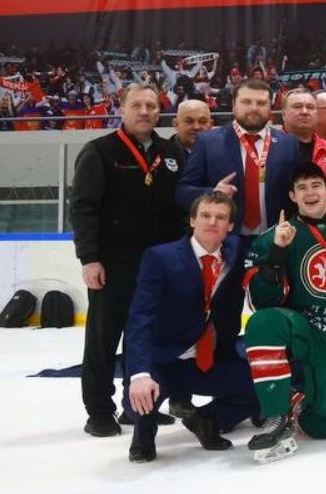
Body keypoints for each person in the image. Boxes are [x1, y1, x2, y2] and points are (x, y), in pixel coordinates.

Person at [72, 83, 189, 437]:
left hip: (160, 265)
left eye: (151, 106)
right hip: (113, 263)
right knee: (103, 338)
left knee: (148, 336)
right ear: (121, 109)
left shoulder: (172, 152)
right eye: (137, 105)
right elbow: (83, 208)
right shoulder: (100, 151)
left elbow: (183, 207)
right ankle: (98, 410)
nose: (144, 112)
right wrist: (89, 258)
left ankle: (135, 406)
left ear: (159, 111)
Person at [241, 163, 326, 463]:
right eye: (301, 188)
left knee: (322, 427)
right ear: (292, 196)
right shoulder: (276, 236)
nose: (310, 193)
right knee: (263, 323)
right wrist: (277, 253)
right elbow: (262, 302)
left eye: (316, 185)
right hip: (306, 329)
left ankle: (294, 401)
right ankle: (276, 415)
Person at [122, 192, 258, 463]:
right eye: (205, 215)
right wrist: (139, 373)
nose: (212, 222)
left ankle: (207, 420)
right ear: (192, 220)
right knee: (138, 400)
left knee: (264, 386)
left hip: (207, 360)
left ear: (230, 226)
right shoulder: (160, 257)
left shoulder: (235, 252)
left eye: (221, 217)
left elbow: (264, 246)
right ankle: (144, 432)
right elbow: (140, 317)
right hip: (164, 360)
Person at [178, 78, 300, 238]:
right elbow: (183, 191)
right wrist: (212, 193)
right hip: (223, 240)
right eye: (246, 102)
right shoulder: (207, 142)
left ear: (270, 107)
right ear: (233, 105)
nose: (254, 108)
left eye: (261, 103)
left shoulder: (289, 144)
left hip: (276, 239)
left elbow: (296, 193)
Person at [282, 88, 326, 203]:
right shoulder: (270, 148)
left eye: (310, 107)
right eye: (297, 106)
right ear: (283, 114)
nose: (304, 111)